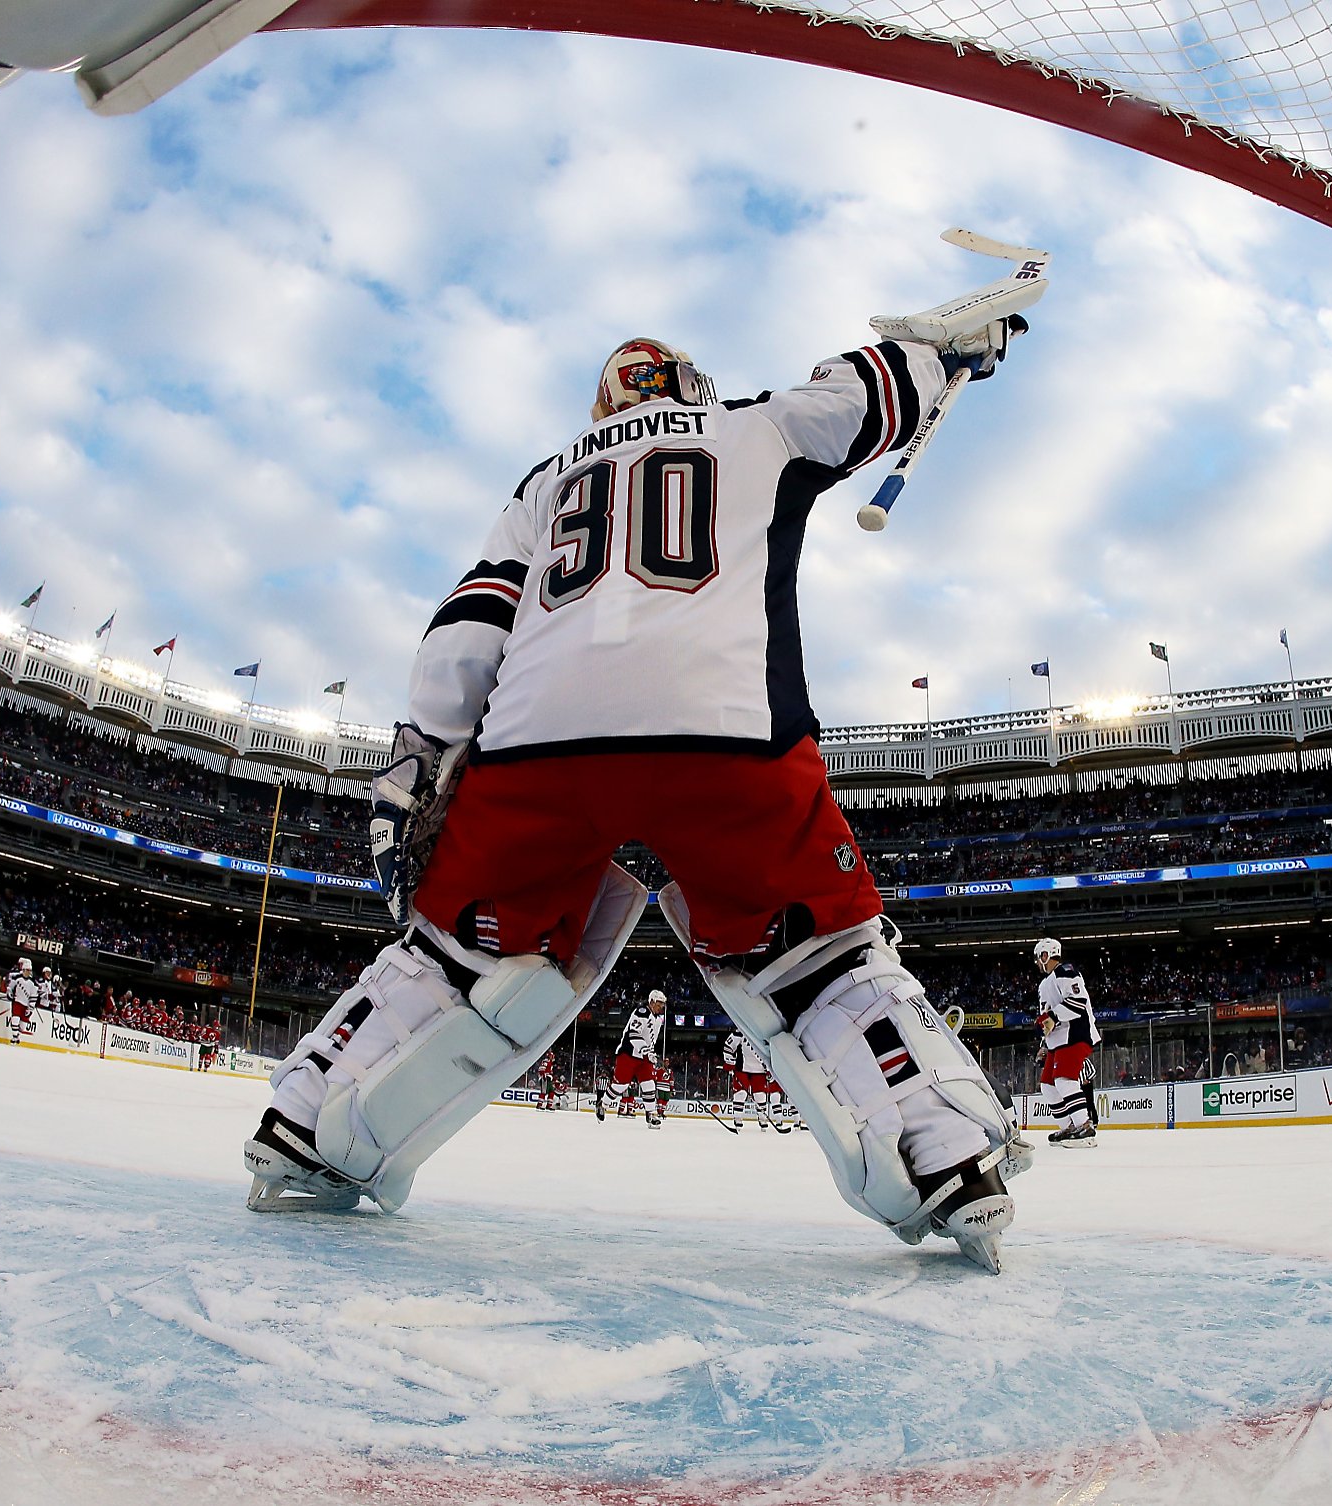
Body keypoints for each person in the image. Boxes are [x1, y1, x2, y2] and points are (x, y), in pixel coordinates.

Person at [243, 324, 1033, 1271]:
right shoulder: (754, 426)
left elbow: (468, 624)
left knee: (451, 953)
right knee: (818, 954)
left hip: (536, 739)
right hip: (724, 725)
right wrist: (946, 349)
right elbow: (864, 395)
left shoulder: (546, 478)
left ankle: (304, 1124)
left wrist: (427, 748)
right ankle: (940, 1152)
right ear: (689, 382)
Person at [1033, 938, 1100, 1147]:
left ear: (1046, 955)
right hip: (1057, 1041)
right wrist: (1044, 1037)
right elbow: (1047, 1016)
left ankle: (1085, 1126)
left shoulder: (1066, 971)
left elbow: (1078, 1002)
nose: (1036, 962)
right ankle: (1068, 1125)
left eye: (1038, 957)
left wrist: (1052, 1017)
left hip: (1075, 1036)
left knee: (1064, 1080)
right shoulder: (1045, 983)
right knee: (1047, 1085)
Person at [604, 990, 667, 1124]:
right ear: (652, 1001)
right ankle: (602, 1104)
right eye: (659, 1003)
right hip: (629, 1053)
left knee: (649, 1084)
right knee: (620, 1086)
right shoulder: (641, 1012)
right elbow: (633, 1034)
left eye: (663, 1004)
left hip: (644, 1056)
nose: (661, 1006)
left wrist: (652, 1054)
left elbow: (651, 1040)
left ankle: (651, 1114)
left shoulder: (658, 1019)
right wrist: (646, 1051)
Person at [723, 1025, 777, 1130]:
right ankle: (737, 1118)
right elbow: (728, 1046)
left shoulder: (767, 1033)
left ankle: (762, 1118)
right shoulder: (742, 1030)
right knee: (741, 1094)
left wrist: (770, 1069)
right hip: (742, 1069)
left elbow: (773, 1053)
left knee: (760, 1096)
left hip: (760, 1071)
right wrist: (730, 1062)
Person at [5, 958, 40, 1044]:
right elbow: (10, 987)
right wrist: (9, 992)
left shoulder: (33, 983)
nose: (29, 972)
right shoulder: (17, 978)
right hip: (17, 1002)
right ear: (23, 970)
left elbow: (34, 996)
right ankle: (14, 1037)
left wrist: (30, 1008)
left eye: (30, 970)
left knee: (23, 1025)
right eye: (27, 970)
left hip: (26, 1005)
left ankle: (17, 1036)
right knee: (15, 1019)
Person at [533, 1046, 562, 1110]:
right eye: (552, 1056)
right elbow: (541, 1069)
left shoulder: (550, 1063)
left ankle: (549, 1105)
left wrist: (554, 1080)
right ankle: (539, 1105)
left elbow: (550, 1073)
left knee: (551, 1092)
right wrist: (544, 1076)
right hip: (545, 1079)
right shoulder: (546, 1061)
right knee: (543, 1092)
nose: (553, 1057)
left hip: (549, 1079)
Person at [653, 1059, 675, 1126]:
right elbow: (655, 1078)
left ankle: (662, 1112)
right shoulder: (659, 1070)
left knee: (666, 1100)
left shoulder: (670, 1071)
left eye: (667, 1062)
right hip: (660, 1087)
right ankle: (659, 1112)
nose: (666, 1063)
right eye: (665, 1062)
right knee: (660, 1100)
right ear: (663, 1063)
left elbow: (671, 1080)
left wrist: (672, 1089)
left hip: (667, 1088)